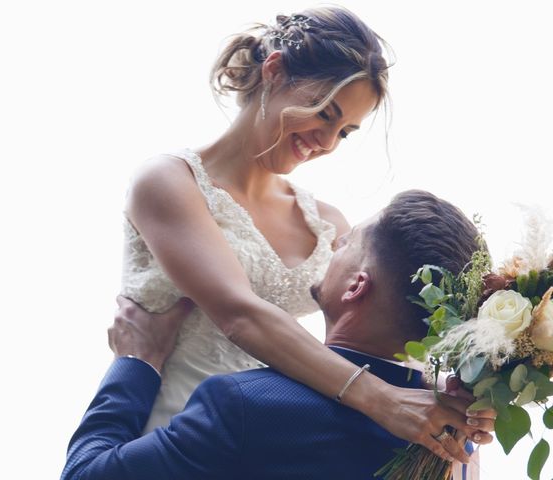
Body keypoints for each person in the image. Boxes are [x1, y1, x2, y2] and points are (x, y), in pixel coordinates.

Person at [118, 4, 480, 455]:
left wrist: (445, 388)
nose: (328, 143)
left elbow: (369, 332)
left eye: (346, 131)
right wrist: (382, 399)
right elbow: (240, 314)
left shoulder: (327, 224)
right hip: (169, 429)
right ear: (274, 71)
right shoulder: (169, 182)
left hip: (274, 439)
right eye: (324, 113)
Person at [63, 190, 494, 480]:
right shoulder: (458, 444)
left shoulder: (244, 405)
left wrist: (135, 364)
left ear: (357, 286)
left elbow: (85, 474)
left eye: (348, 242)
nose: (333, 245)